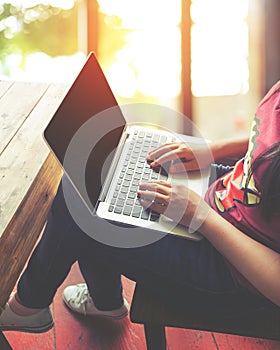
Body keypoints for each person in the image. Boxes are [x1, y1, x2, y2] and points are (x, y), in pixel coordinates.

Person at [0, 80, 280, 334]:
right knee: (113, 171)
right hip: (229, 188)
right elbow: (270, 136)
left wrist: (201, 216)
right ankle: (103, 301)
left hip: (233, 270)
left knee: (81, 200)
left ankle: (29, 305)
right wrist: (211, 150)